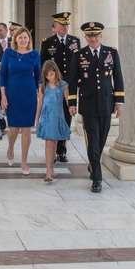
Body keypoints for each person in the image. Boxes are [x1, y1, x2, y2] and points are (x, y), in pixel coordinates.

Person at [68, 21, 124, 193]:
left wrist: (119, 102)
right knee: (92, 141)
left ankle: (93, 165)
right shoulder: (79, 54)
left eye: (96, 35)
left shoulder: (111, 53)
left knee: (101, 140)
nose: (93, 39)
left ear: (101, 36)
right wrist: (72, 103)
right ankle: (97, 179)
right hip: (88, 104)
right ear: (85, 37)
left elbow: (118, 78)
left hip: (107, 103)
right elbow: (72, 81)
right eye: (90, 36)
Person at [0, 26, 41, 175]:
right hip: (12, 93)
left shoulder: (35, 54)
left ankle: (24, 161)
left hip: (28, 94)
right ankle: (10, 148)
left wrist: (39, 95)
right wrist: (3, 95)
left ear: (29, 39)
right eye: (20, 37)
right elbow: (3, 74)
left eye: (25, 37)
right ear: (15, 39)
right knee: (14, 127)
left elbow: (38, 77)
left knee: (27, 129)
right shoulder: (9, 53)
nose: (23, 40)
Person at [40, 12, 80, 163]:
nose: (65, 28)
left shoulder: (74, 41)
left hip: (68, 86)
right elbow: (43, 65)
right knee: (53, 117)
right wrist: (42, 85)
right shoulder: (47, 42)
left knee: (66, 118)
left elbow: (77, 64)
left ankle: (62, 150)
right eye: (62, 25)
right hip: (52, 87)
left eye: (67, 25)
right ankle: (53, 150)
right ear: (55, 26)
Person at [35, 59, 71, 183]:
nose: (49, 77)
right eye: (47, 75)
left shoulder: (63, 85)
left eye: (52, 74)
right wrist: (37, 119)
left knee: (54, 142)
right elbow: (39, 103)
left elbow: (68, 101)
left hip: (58, 116)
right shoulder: (42, 87)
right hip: (46, 116)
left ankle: (51, 168)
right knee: (48, 142)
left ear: (56, 72)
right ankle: (48, 170)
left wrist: (73, 109)